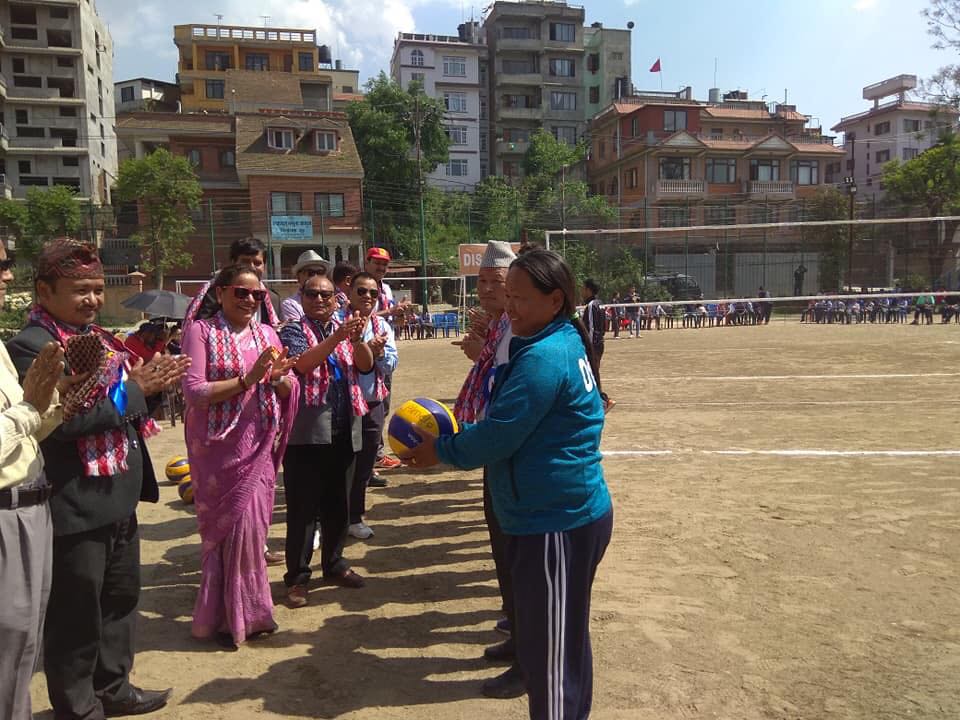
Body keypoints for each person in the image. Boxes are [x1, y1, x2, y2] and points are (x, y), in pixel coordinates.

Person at [402, 249, 613, 720]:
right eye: (508, 295)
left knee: (550, 658)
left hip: (555, 521)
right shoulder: (553, 340)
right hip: (551, 515)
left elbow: (500, 435)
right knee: (560, 644)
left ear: (555, 300)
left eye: (519, 297)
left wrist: (441, 451)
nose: (509, 306)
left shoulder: (544, 356)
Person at [7, 240, 188, 719]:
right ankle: (78, 706)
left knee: (120, 600)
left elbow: (122, 407)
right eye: (80, 290)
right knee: (76, 614)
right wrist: (135, 390)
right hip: (75, 503)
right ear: (44, 291)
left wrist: (150, 386)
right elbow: (62, 421)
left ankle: (114, 688)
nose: (92, 299)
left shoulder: (102, 339)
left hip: (117, 493)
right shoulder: (32, 348)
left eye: (97, 289)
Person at [181, 264, 299, 648]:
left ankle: (254, 612)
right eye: (241, 292)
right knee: (226, 531)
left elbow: (287, 384)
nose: (250, 300)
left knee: (253, 531)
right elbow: (194, 391)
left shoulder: (267, 334)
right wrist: (247, 380)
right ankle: (222, 617)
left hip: (259, 445)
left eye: (257, 295)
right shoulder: (201, 332)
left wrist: (279, 379)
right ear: (220, 293)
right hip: (217, 450)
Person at [0, 240, 76, 720]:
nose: (8, 275)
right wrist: (31, 407)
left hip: (30, 506)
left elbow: (26, 428)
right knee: (7, 641)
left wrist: (59, 401)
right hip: (5, 514)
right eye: (0, 266)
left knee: (24, 643)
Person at [451, 241, 523, 699]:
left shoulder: (521, 330)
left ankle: (527, 653)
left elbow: (509, 389)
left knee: (516, 550)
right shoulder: (500, 326)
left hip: (514, 456)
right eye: (481, 281)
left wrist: (481, 353)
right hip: (497, 452)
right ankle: (516, 628)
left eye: (497, 282)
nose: (487, 290)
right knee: (500, 543)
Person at [279, 275, 372, 607]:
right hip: (307, 432)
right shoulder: (292, 330)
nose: (319, 299)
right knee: (303, 510)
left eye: (326, 295)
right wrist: (338, 337)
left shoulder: (346, 327)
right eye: (312, 294)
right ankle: (298, 577)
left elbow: (365, 365)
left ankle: (334, 564)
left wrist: (358, 340)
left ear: (336, 299)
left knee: (339, 505)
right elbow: (302, 365)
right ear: (302, 296)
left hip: (345, 426)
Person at [341, 272, 396, 540]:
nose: (367, 297)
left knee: (364, 463)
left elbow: (392, 364)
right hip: (341, 402)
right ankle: (323, 520)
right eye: (361, 291)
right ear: (349, 292)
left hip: (372, 401)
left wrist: (380, 353)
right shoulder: (336, 322)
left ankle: (354, 517)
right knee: (338, 464)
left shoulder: (382, 326)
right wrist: (361, 348)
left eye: (373, 293)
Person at [183, 237, 281, 337]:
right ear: (233, 263)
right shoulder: (216, 293)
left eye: (257, 263)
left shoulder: (273, 299)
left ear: (264, 266)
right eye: (245, 261)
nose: (251, 267)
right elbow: (204, 332)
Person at [581, 279, 614, 413]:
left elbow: (591, 328)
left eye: (583, 288)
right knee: (593, 373)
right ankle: (601, 401)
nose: (581, 291)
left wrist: (588, 346)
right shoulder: (600, 304)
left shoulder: (591, 305)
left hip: (593, 345)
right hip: (599, 343)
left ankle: (603, 401)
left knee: (590, 375)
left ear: (588, 290)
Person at [280, 250, 333, 323]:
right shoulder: (290, 304)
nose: (315, 277)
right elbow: (298, 329)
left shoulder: (333, 300)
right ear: (298, 277)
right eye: (310, 273)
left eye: (320, 272)